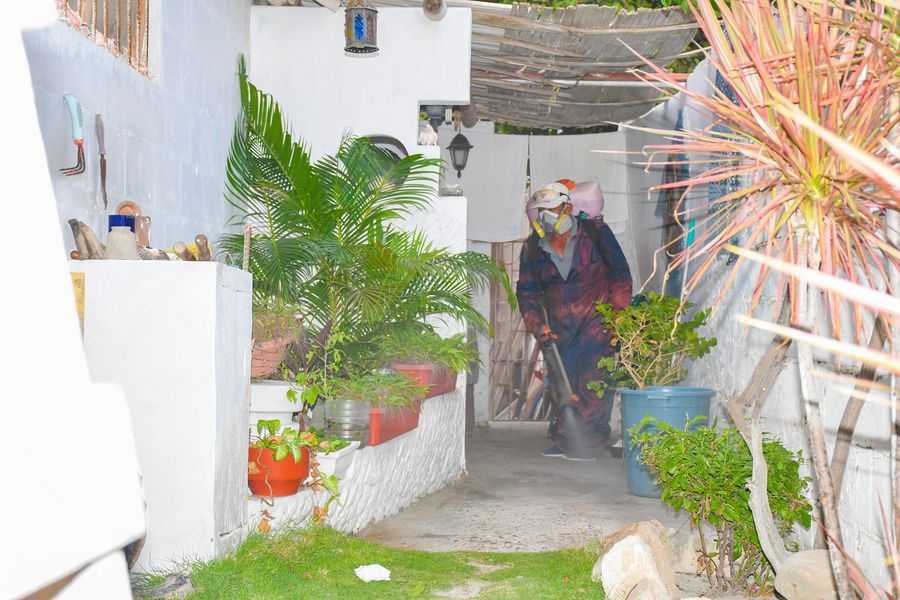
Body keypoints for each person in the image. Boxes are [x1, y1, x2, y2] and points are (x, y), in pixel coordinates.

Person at [516, 180, 633, 461]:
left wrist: (617, 318)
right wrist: (536, 323)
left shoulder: (595, 233)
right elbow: (527, 290)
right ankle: (565, 439)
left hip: (597, 324)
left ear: (568, 208)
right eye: (541, 211)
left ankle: (590, 443)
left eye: (552, 209)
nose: (546, 216)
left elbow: (620, 275)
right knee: (562, 384)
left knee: (594, 382)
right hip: (560, 329)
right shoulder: (534, 247)